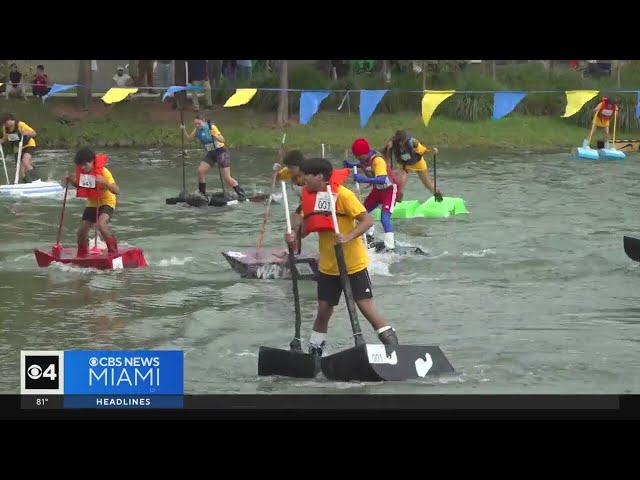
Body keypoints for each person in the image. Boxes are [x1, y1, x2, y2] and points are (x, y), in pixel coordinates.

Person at [285, 157, 399, 357]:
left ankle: (393, 347)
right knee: (323, 310)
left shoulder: (344, 195)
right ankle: (315, 353)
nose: (303, 181)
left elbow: (367, 221)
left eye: (307, 177)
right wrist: (292, 234)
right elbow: (302, 232)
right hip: (328, 266)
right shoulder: (308, 198)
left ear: (319, 176)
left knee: (365, 306)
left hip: (352, 264)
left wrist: (346, 237)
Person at [345, 138, 400, 250]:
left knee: (384, 218)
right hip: (377, 191)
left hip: (390, 190)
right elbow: (363, 164)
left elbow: (382, 179)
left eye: (360, 158)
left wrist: (363, 179)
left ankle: (390, 245)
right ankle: (369, 235)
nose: (359, 160)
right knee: (361, 212)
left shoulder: (378, 161)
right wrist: (351, 165)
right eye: (357, 158)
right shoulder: (365, 160)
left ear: (366, 153)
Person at [65, 148, 120, 256]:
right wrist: (70, 180)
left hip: (107, 202)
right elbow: (80, 185)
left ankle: (113, 251)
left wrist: (105, 182)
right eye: (81, 165)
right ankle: (82, 254)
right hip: (93, 204)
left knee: (101, 224)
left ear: (92, 161)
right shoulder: (82, 173)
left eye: (85, 165)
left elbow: (117, 190)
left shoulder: (104, 172)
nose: (83, 168)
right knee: (81, 232)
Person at [181, 114, 245, 200]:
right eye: (195, 124)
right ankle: (202, 194)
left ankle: (241, 194)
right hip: (211, 153)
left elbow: (223, 139)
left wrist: (214, 135)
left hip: (221, 152)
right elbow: (188, 138)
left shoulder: (212, 127)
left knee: (227, 177)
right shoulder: (197, 130)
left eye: (199, 123)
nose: (197, 125)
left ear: (203, 121)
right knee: (200, 171)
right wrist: (183, 129)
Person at [382, 129, 442, 202]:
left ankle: (439, 199)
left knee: (428, 184)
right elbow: (386, 155)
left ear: (405, 139)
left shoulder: (413, 142)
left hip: (418, 164)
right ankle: (397, 203)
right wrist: (389, 150)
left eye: (402, 141)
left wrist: (432, 152)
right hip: (404, 165)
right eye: (399, 141)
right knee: (399, 185)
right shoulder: (393, 143)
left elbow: (424, 151)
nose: (400, 143)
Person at [0, 113, 39, 183]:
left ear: (9, 120)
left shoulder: (20, 124)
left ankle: (37, 181)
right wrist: (1, 141)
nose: (5, 125)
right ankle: (26, 184)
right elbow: (4, 139)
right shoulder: (5, 128)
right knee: (20, 172)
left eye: (5, 123)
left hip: (28, 145)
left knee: (25, 162)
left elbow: (34, 133)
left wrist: (26, 133)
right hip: (18, 148)